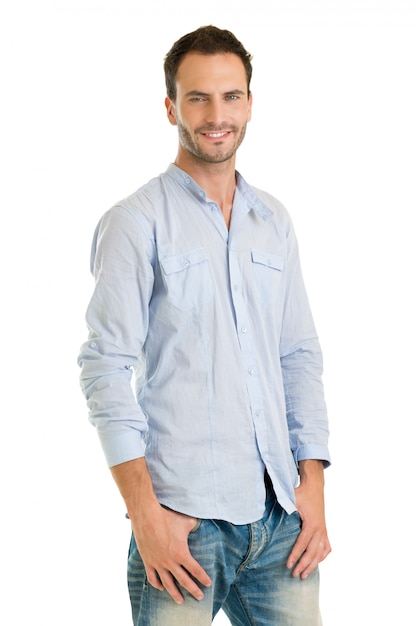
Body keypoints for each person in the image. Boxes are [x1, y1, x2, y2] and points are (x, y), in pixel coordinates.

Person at [78, 25, 331, 626]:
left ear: (249, 102)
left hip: (279, 525)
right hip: (182, 526)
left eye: (231, 96)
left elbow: (297, 354)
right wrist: (146, 517)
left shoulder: (274, 221)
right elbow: (106, 369)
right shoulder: (135, 222)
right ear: (171, 107)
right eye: (198, 98)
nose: (217, 115)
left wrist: (313, 489)